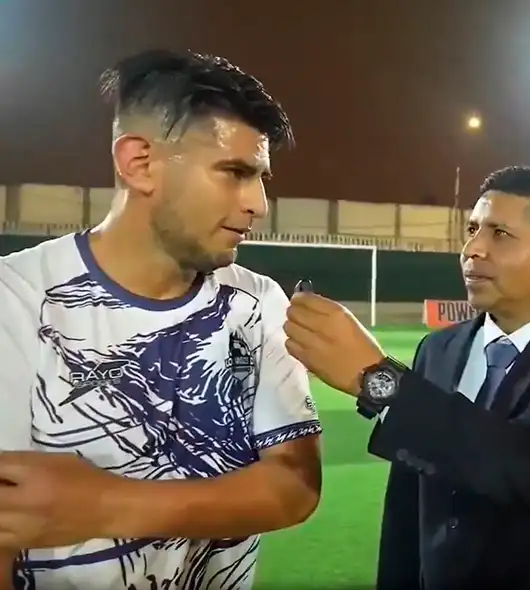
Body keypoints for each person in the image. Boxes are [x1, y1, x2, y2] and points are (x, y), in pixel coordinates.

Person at [0, 50, 322, 589]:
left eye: (261, 177)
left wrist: (109, 504)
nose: (259, 204)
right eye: (235, 173)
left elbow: (294, 488)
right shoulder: (16, 298)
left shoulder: (256, 301)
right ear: (139, 163)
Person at [283, 166, 530, 589]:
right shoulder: (439, 350)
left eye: (500, 234)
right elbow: (409, 512)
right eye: (472, 229)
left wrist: (379, 380)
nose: (472, 249)